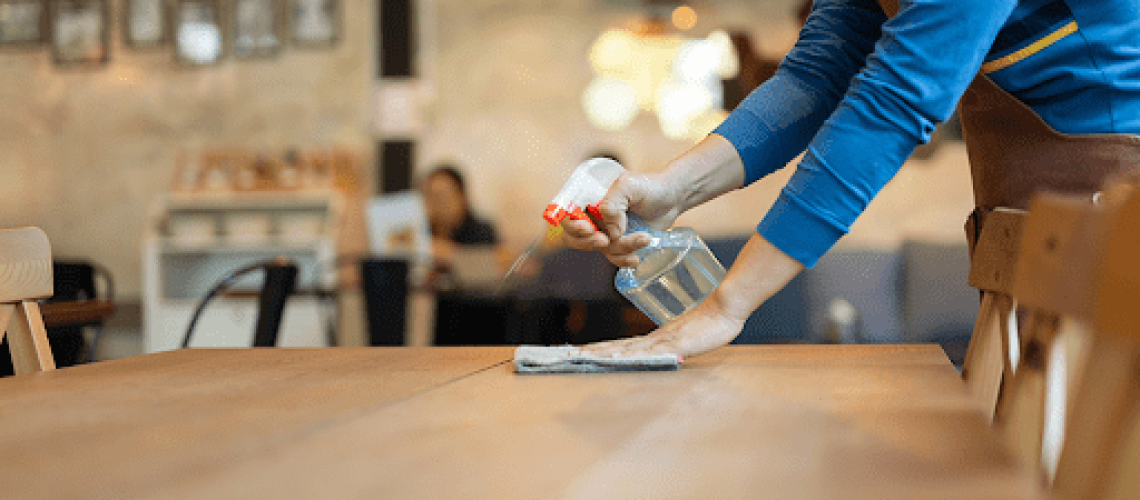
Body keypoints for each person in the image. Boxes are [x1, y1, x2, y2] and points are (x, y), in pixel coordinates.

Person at [562, 0, 1140, 359]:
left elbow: (893, 101)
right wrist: (671, 188)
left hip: (1113, 227)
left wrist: (727, 305)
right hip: (1031, 243)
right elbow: (818, 74)